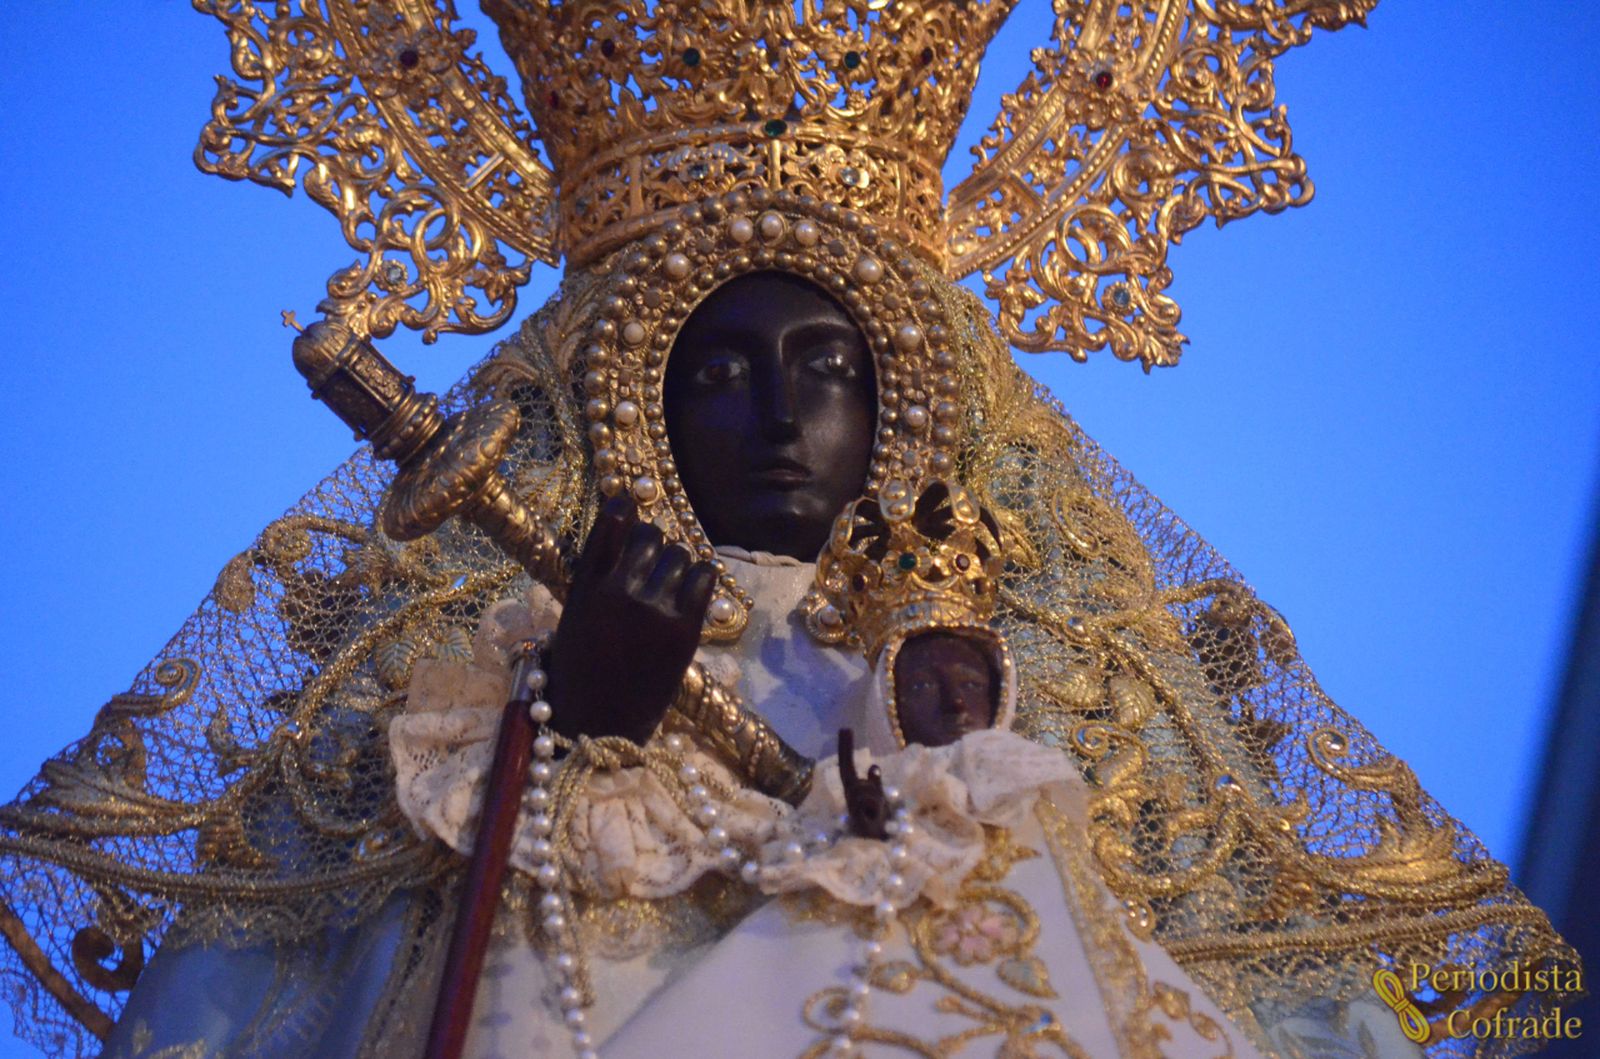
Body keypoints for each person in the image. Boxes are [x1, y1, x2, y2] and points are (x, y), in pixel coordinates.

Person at [0, 2, 1581, 1057]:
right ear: (634, 400)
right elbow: (291, 990)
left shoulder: (1027, 683)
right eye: (724, 371)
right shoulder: (473, 677)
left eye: (827, 369)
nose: (778, 416)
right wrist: (562, 737)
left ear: (903, 401)